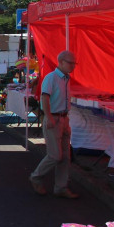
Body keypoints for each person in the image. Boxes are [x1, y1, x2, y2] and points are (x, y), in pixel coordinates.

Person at [29, 50, 80, 199]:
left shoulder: (66, 79)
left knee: (65, 157)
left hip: (64, 118)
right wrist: (49, 116)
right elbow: (45, 98)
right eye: (71, 63)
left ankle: (61, 187)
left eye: (74, 64)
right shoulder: (51, 78)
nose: (73, 66)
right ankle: (36, 176)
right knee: (55, 155)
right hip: (54, 119)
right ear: (61, 62)